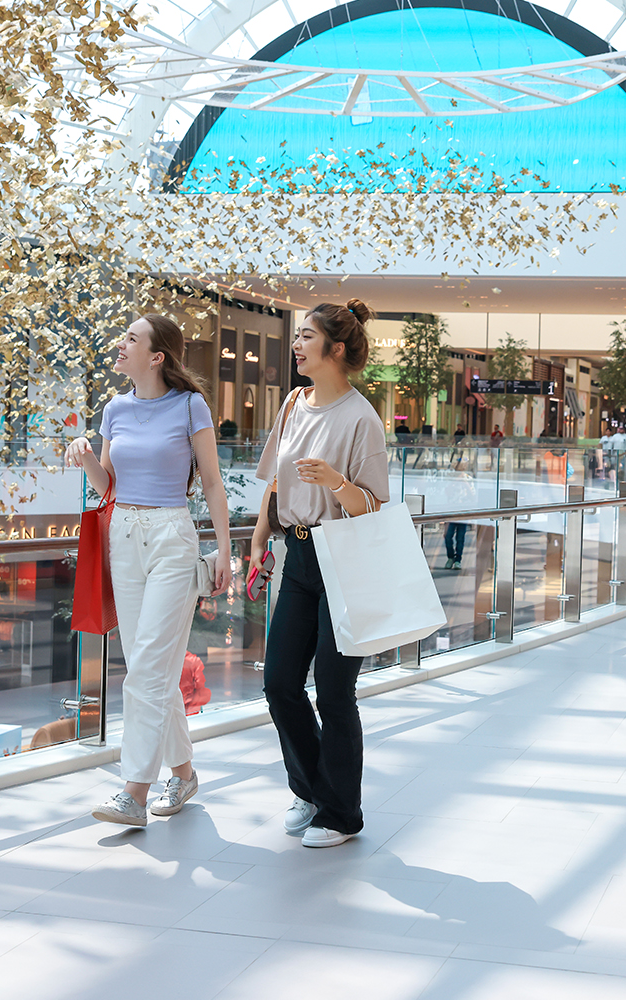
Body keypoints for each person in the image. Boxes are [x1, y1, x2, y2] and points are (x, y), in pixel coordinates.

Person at [66, 313, 233, 828]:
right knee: (151, 670)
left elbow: (210, 483)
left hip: (172, 539)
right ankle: (182, 773)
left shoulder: (190, 405)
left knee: (144, 672)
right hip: (124, 536)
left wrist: (225, 551)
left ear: (156, 356)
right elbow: (108, 486)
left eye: (131, 339)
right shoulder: (115, 409)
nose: (121, 345)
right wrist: (86, 457)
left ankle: (133, 792)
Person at [250, 301, 389, 849]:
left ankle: (342, 813)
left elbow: (374, 508)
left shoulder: (362, 419)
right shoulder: (292, 403)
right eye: (297, 335)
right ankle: (309, 788)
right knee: (279, 682)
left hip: (345, 558)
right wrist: (261, 536)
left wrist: (336, 482)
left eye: (306, 336)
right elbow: (277, 483)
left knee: (333, 694)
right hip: (298, 554)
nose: (296, 344)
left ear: (335, 349)